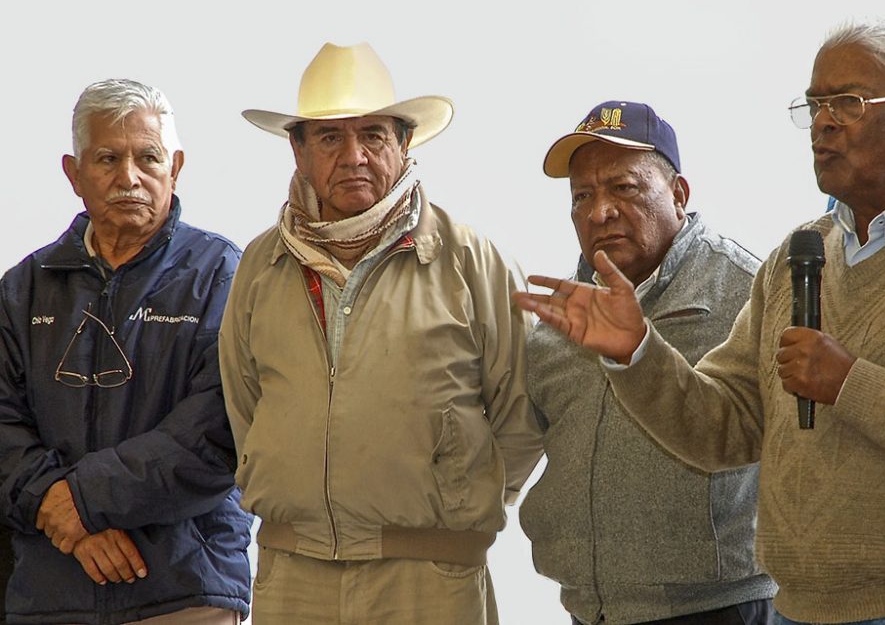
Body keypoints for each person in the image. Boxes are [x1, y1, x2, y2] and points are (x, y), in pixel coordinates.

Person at [514, 20, 885, 624]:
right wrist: (637, 352)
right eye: (813, 106)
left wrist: (850, 384)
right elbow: (723, 429)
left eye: (847, 103)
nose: (823, 123)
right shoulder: (797, 255)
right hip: (799, 610)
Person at [219, 42, 543, 624]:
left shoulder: (470, 260)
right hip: (293, 574)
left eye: (372, 134)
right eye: (329, 138)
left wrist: (459, 499)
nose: (354, 156)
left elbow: (523, 413)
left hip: (434, 579)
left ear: (404, 142)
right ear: (297, 150)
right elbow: (246, 406)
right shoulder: (260, 266)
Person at [0, 79, 252, 623]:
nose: (129, 177)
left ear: (176, 167)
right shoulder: (22, 289)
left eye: (148, 157)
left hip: (184, 591)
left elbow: (220, 432)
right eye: (108, 158)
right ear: (73, 173)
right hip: (49, 589)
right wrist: (58, 510)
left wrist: (81, 502)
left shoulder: (225, 278)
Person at [519, 101, 775, 625]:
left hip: (722, 608)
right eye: (582, 196)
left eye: (624, 188)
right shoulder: (556, 325)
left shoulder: (750, 293)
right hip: (591, 611)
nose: (599, 212)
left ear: (679, 194)